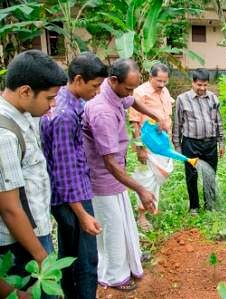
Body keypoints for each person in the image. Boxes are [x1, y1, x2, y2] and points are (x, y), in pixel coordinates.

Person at [82, 58, 164, 291]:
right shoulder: (101, 111)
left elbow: (132, 101)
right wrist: (140, 188)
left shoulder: (116, 93)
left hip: (116, 174)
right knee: (111, 228)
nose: (129, 92)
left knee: (123, 220)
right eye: (127, 87)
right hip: (103, 177)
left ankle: (131, 261)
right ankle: (114, 275)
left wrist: (154, 115)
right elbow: (108, 162)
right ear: (113, 80)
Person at [40, 52, 107, 299]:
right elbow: (65, 172)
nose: (98, 92)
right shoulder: (65, 115)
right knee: (86, 261)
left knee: (68, 256)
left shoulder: (65, 103)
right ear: (78, 80)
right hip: (73, 199)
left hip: (68, 197)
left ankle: (70, 294)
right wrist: (83, 215)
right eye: (95, 86)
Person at [0, 50, 66, 278]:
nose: (53, 104)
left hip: (35, 227)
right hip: (19, 242)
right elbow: (9, 208)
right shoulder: (4, 136)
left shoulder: (25, 114)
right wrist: (42, 257)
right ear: (25, 91)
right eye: (49, 98)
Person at [129, 63, 174, 231]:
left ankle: (151, 208)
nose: (162, 85)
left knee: (156, 179)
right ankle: (141, 216)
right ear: (150, 78)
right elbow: (134, 123)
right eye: (158, 81)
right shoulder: (140, 93)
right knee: (145, 179)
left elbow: (166, 116)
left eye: (164, 81)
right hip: (147, 146)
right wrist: (140, 148)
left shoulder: (166, 92)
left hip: (162, 145)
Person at [173, 68, 225, 214]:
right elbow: (177, 124)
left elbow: (218, 121)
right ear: (193, 83)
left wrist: (221, 142)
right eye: (199, 85)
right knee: (192, 175)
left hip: (210, 144)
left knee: (210, 175)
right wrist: (177, 147)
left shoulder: (213, 98)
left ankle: (210, 205)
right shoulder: (182, 99)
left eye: (205, 85)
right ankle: (194, 207)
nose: (202, 88)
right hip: (191, 144)